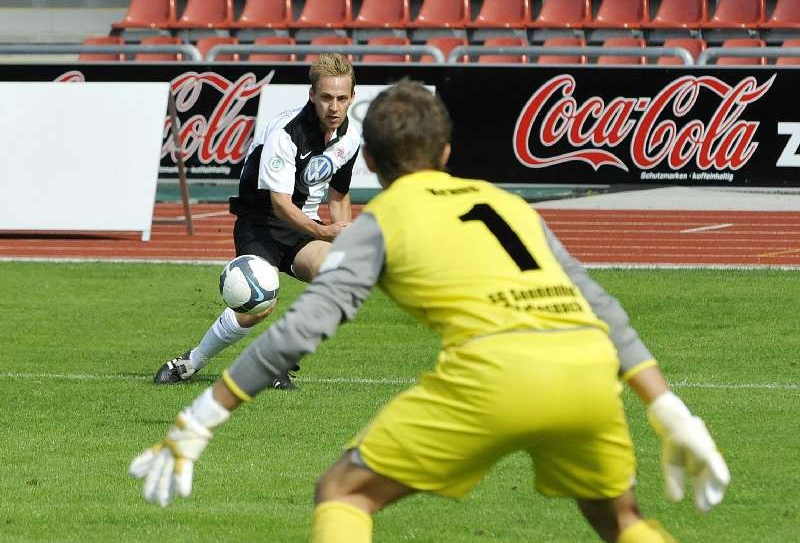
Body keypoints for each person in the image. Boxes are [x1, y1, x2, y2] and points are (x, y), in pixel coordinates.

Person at [131, 80, 730, 542]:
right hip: (588, 373)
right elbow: (601, 306)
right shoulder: (510, 203)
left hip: (495, 375)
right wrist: (670, 410)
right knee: (620, 517)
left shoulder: (384, 221)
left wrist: (201, 418)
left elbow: (305, 327)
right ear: (447, 150)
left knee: (343, 492)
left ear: (366, 160)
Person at [153, 53, 359, 389]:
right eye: (325, 97)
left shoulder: (350, 138)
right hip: (261, 221)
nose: (333, 107)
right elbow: (279, 205)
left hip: (302, 223)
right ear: (312, 95)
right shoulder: (286, 133)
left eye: (341, 98)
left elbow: (338, 195)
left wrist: (343, 235)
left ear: (353, 97)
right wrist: (325, 231)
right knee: (259, 305)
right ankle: (190, 363)